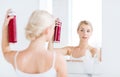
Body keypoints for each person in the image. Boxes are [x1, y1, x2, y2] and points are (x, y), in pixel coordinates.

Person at [2, 9, 67, 77]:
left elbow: (5, 51)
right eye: (53, 29)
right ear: (47, 30)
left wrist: (5, 27)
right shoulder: (58, 60)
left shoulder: (16, 57)